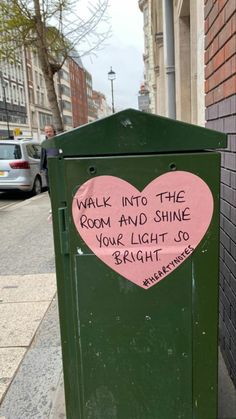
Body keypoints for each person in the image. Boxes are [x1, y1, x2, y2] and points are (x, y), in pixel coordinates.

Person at [40, 124, 57, 194]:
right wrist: (41, 168)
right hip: (48, 170)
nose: (48, 133)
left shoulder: (58, 141)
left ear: (54, 131)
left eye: (50, 131)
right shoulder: (44, 143)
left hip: (57, 169)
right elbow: (42, 156)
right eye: (47, 132)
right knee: (50, 188)